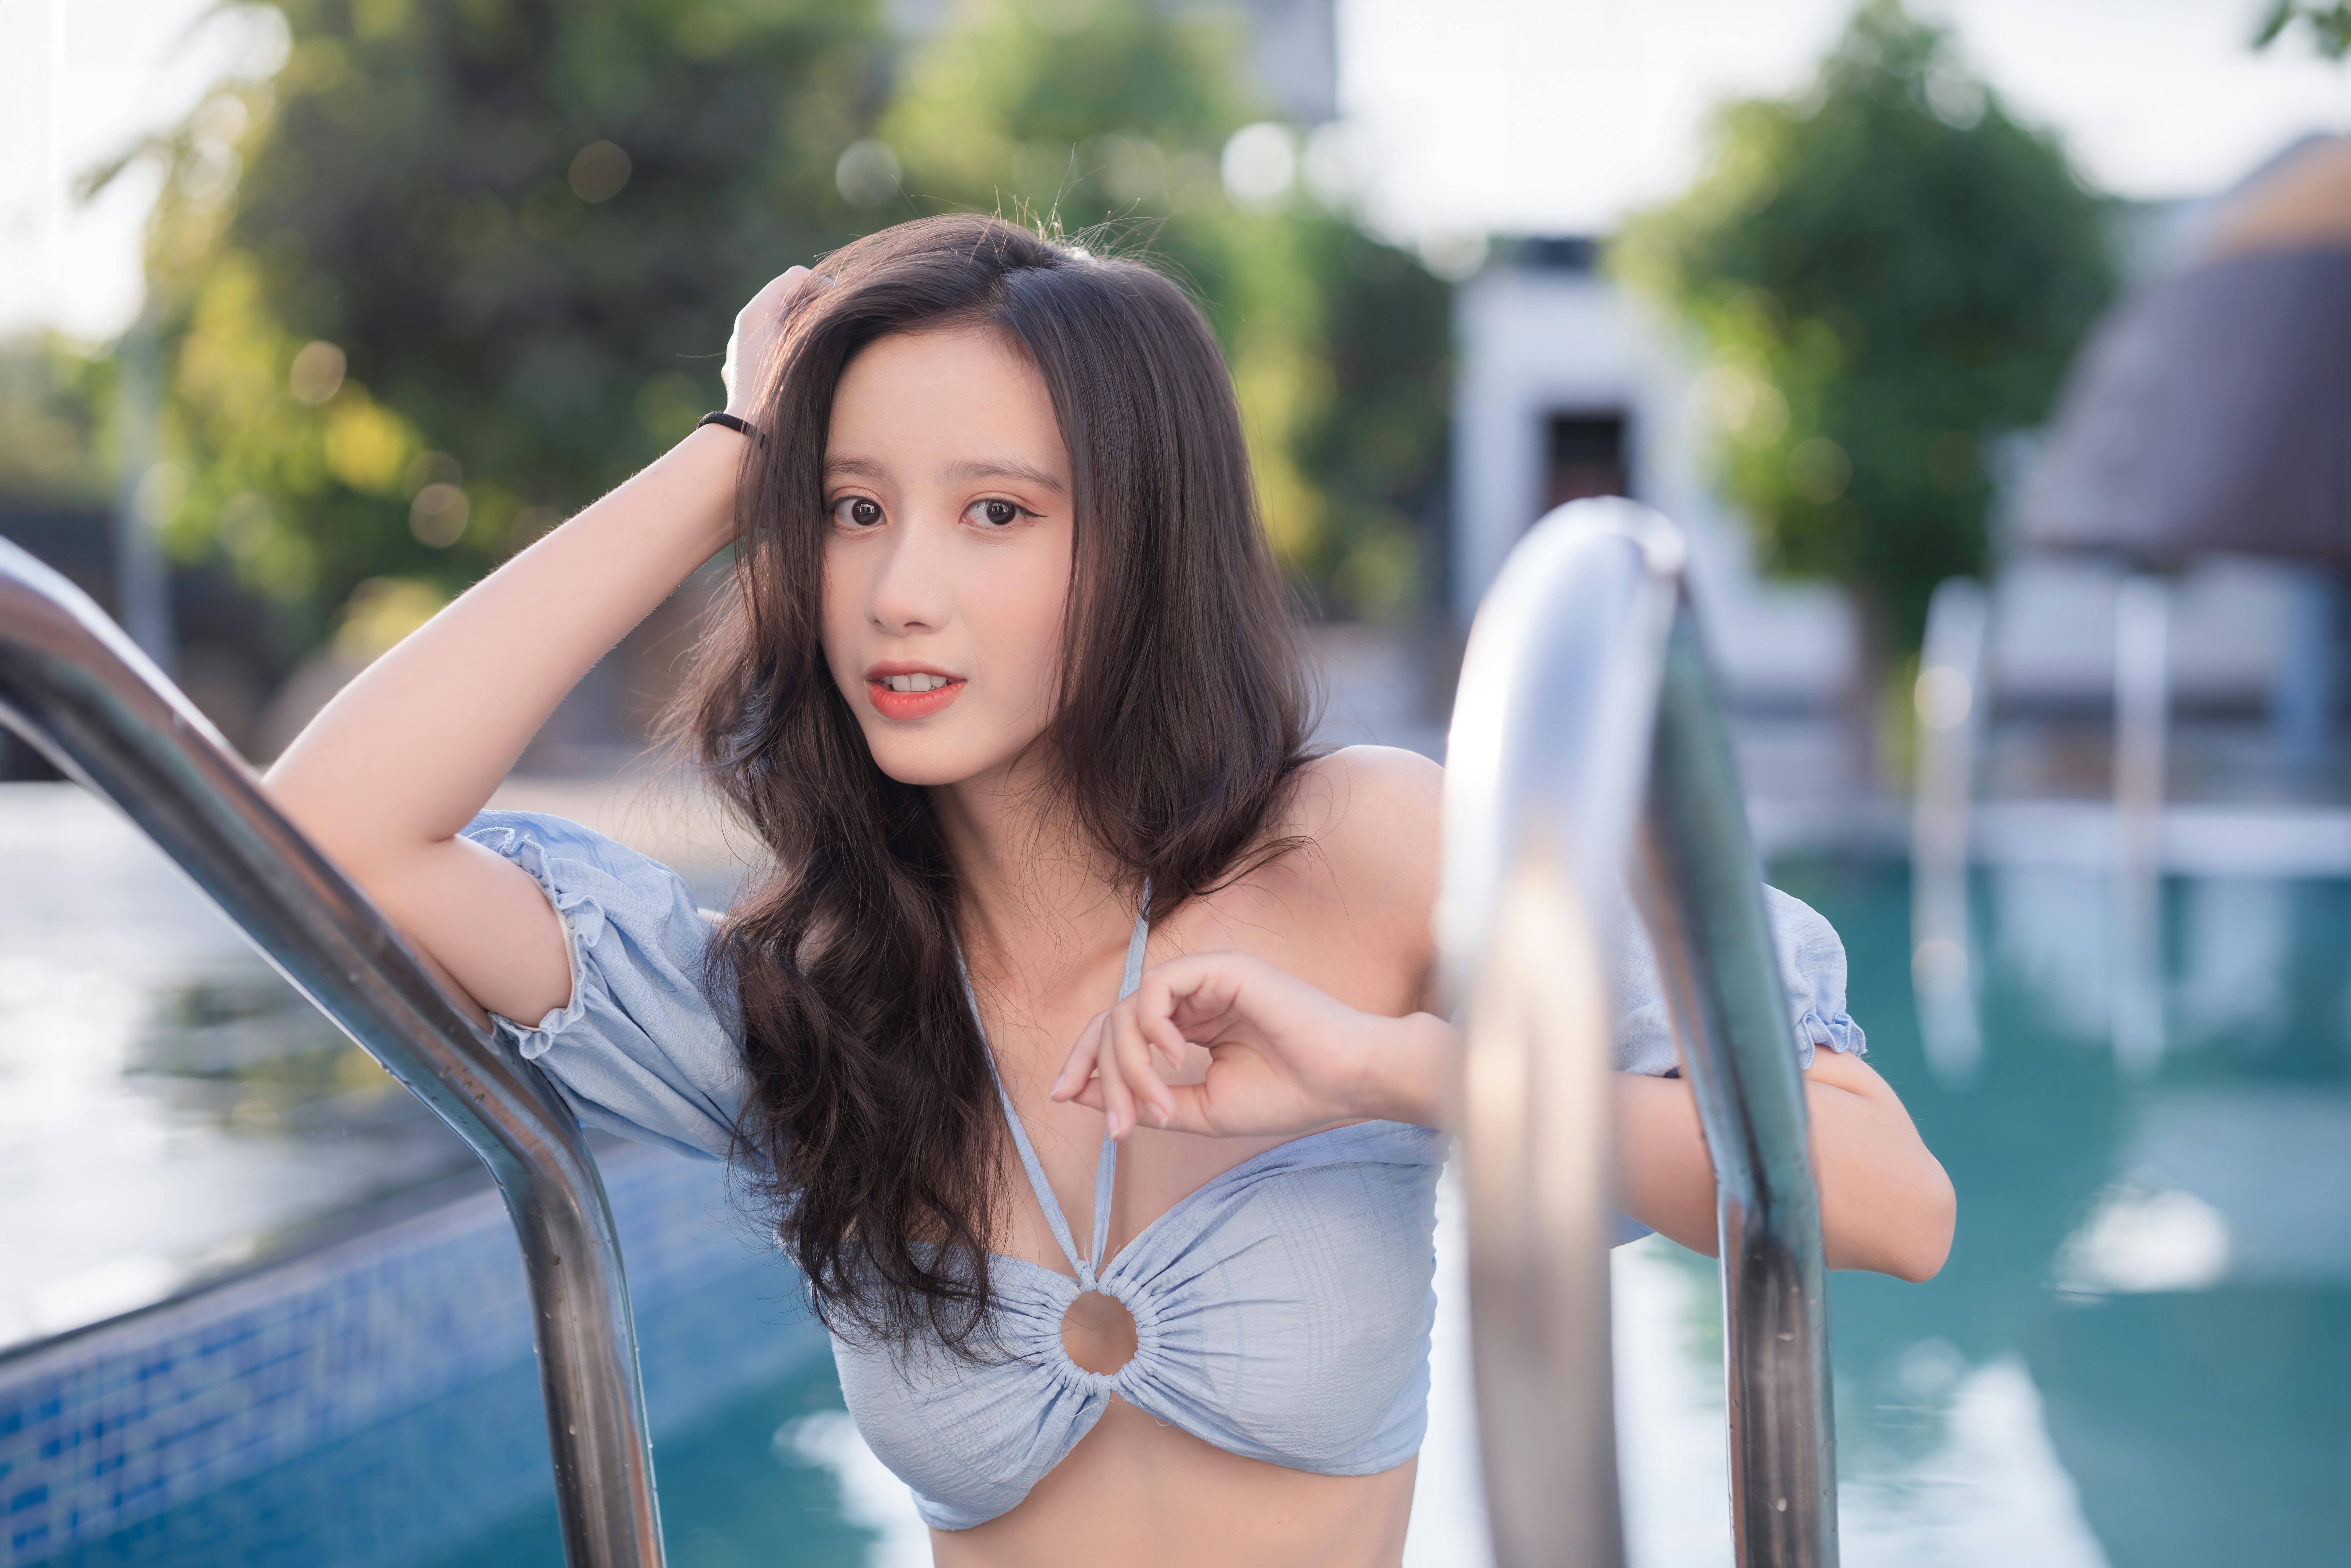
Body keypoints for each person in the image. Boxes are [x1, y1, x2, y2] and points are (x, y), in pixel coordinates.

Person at [262, 214, 1953, 1568]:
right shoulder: (806, 1005)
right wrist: (735, 450)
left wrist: (1387, 1070)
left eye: (997, 512)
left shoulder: (1361, 854)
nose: (901, 591)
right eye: (851, 511)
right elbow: (325, 834)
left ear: (1140, 543)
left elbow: (1887, 1205)